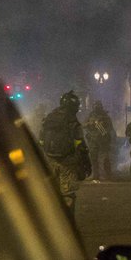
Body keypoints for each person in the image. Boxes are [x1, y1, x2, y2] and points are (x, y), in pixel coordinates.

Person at [38, 90, 91, 219]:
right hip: (68, 161)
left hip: (50, 160)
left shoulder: (49, 118)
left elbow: (41, 140)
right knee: (68, 194)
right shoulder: (72, 121)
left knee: (51, 192)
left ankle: (51, 222)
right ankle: (68, 224)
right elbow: (80, 144)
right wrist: (86, 163)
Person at [83, 100, 115, 181]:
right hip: (93, 140)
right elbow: (83, 125)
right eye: (95, 105)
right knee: (93, 158)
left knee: (105, 158)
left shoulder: (105, 117)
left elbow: (110, 128)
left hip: (103, 140)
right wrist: (90, 124)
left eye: (98, 105)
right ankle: (95, 175)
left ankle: (108, 175)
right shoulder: (90, 116)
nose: (96, 107)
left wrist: (104, 131)